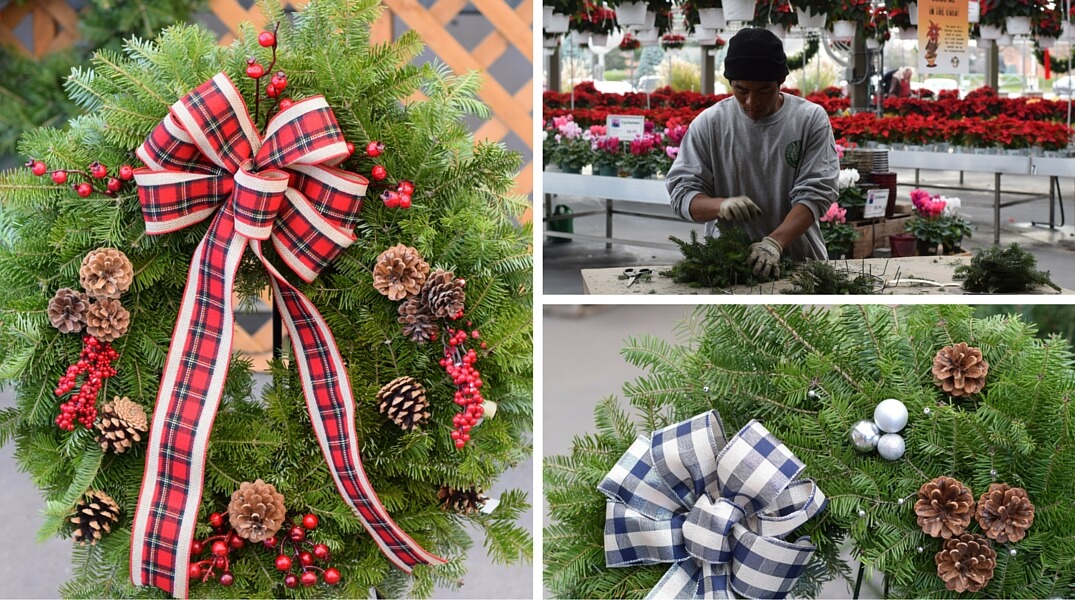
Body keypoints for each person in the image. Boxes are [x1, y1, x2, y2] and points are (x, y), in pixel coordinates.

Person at [665, 28, 839, 277]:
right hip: (728, 267)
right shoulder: (710, 124)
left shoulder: (809, 120)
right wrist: (720, 205)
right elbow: (682, 193)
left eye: (763, 91)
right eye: (741, 90)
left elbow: (817, 193)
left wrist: (774, 243)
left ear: (780, 82)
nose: (751, 102)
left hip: (800, 266)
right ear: (730, 83)